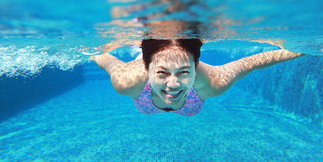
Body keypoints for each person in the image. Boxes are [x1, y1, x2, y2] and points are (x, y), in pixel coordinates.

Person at [92, 38, 304, 116]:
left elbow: (254, 62)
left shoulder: (214, 82)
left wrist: (302, 48)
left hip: (190, 105)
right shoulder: (126, 81)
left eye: (184, 72)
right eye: (162, 73)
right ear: (146, 69)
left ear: (196, 68)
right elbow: (104, 58)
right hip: (146, 101)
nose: (173, 85)